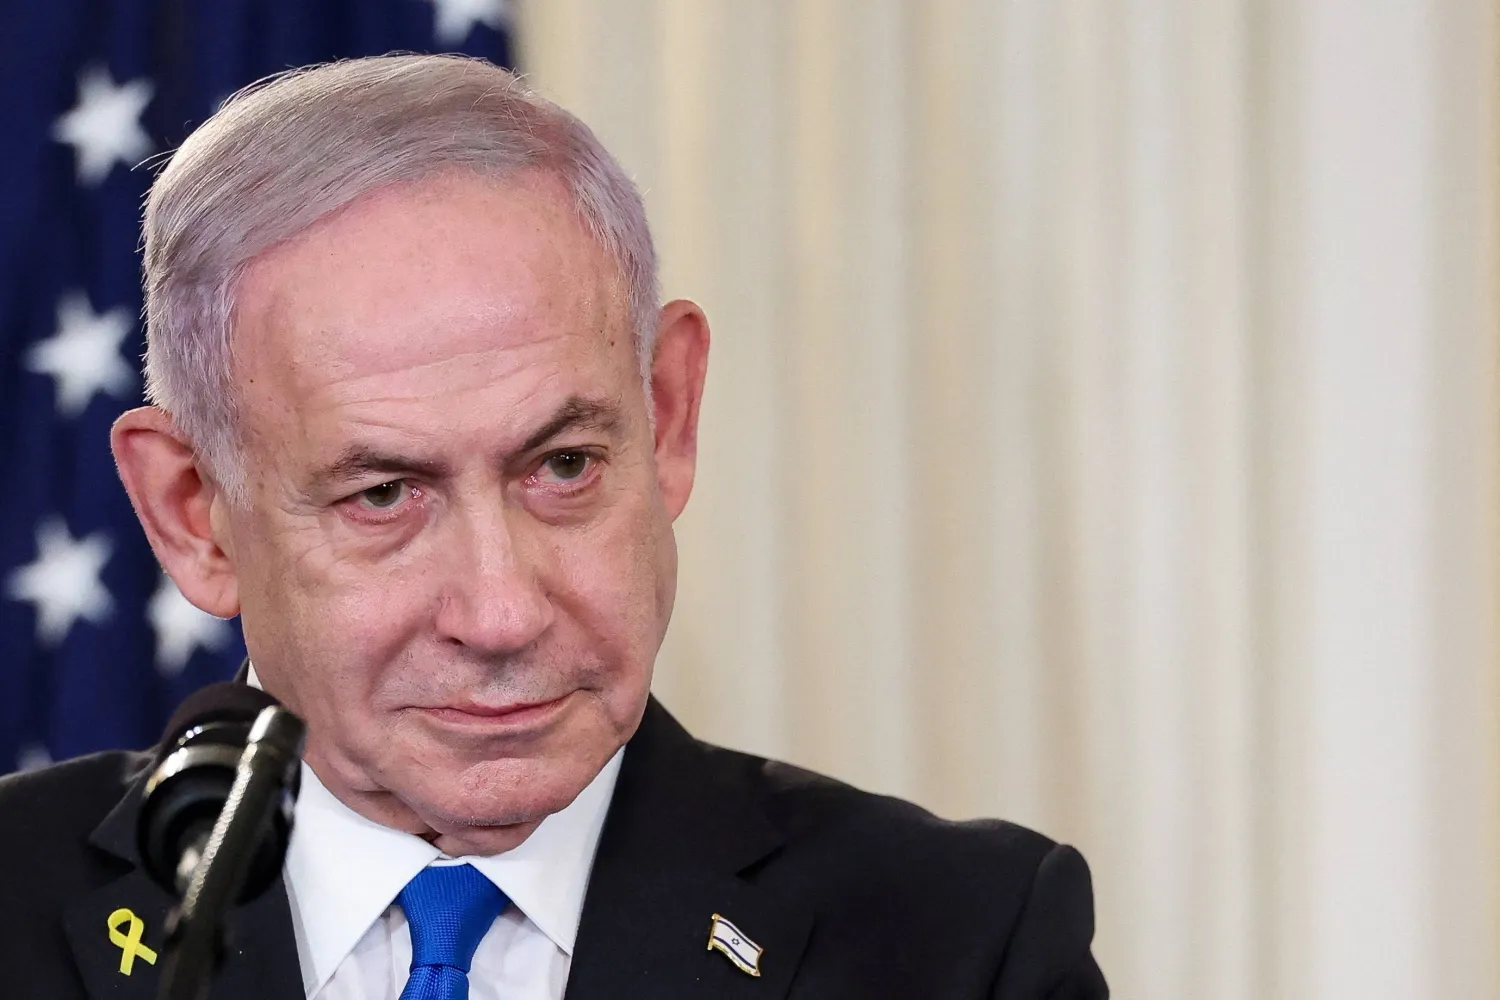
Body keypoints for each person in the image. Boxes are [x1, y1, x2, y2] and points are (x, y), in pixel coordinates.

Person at [0, 54, 1107, 999]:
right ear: (193, 513)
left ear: (668, 414)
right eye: (384, 494)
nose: (501, 612)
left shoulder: (962, 948)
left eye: (564, 466)